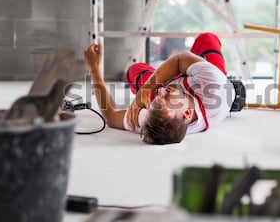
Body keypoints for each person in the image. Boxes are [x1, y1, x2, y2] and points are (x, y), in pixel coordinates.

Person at [83, 32, 234, 144]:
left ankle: (189, 66)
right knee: (207, 38)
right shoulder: (213, 85)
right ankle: (194, 64)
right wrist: (147, 90)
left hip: (183, 83)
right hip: (206, 81)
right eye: (166, 98)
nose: (161, 91)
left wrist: (94, 68)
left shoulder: (154, 118)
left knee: (133, 70)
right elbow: (179, 58)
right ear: (187, 113)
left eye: (155, 101)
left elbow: (110, 116)